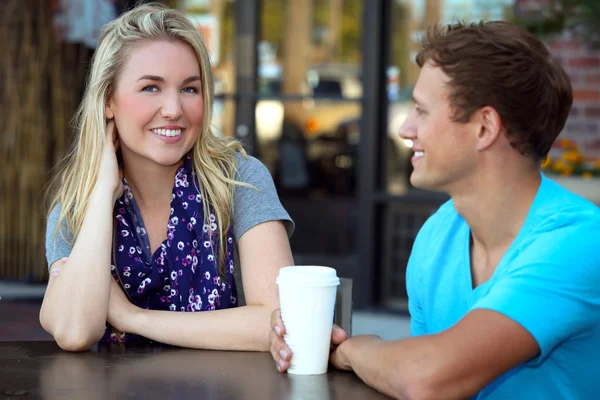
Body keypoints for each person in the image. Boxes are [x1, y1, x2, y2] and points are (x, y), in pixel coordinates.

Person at [270, 21, 600, 399]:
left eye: (422, 111)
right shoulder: (437, 237)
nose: (406, 129)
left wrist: (354, 349)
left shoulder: (578, 243)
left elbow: (427, 378)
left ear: (484, 127)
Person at [41, 3, 295, 352]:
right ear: (108, 101)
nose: (174, 109)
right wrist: (102, 192)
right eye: (151, 88)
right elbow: (73, 332)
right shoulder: (76, 209)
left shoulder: (240, 180)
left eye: (189, 89)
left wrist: (131, 317)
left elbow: (279, 321)